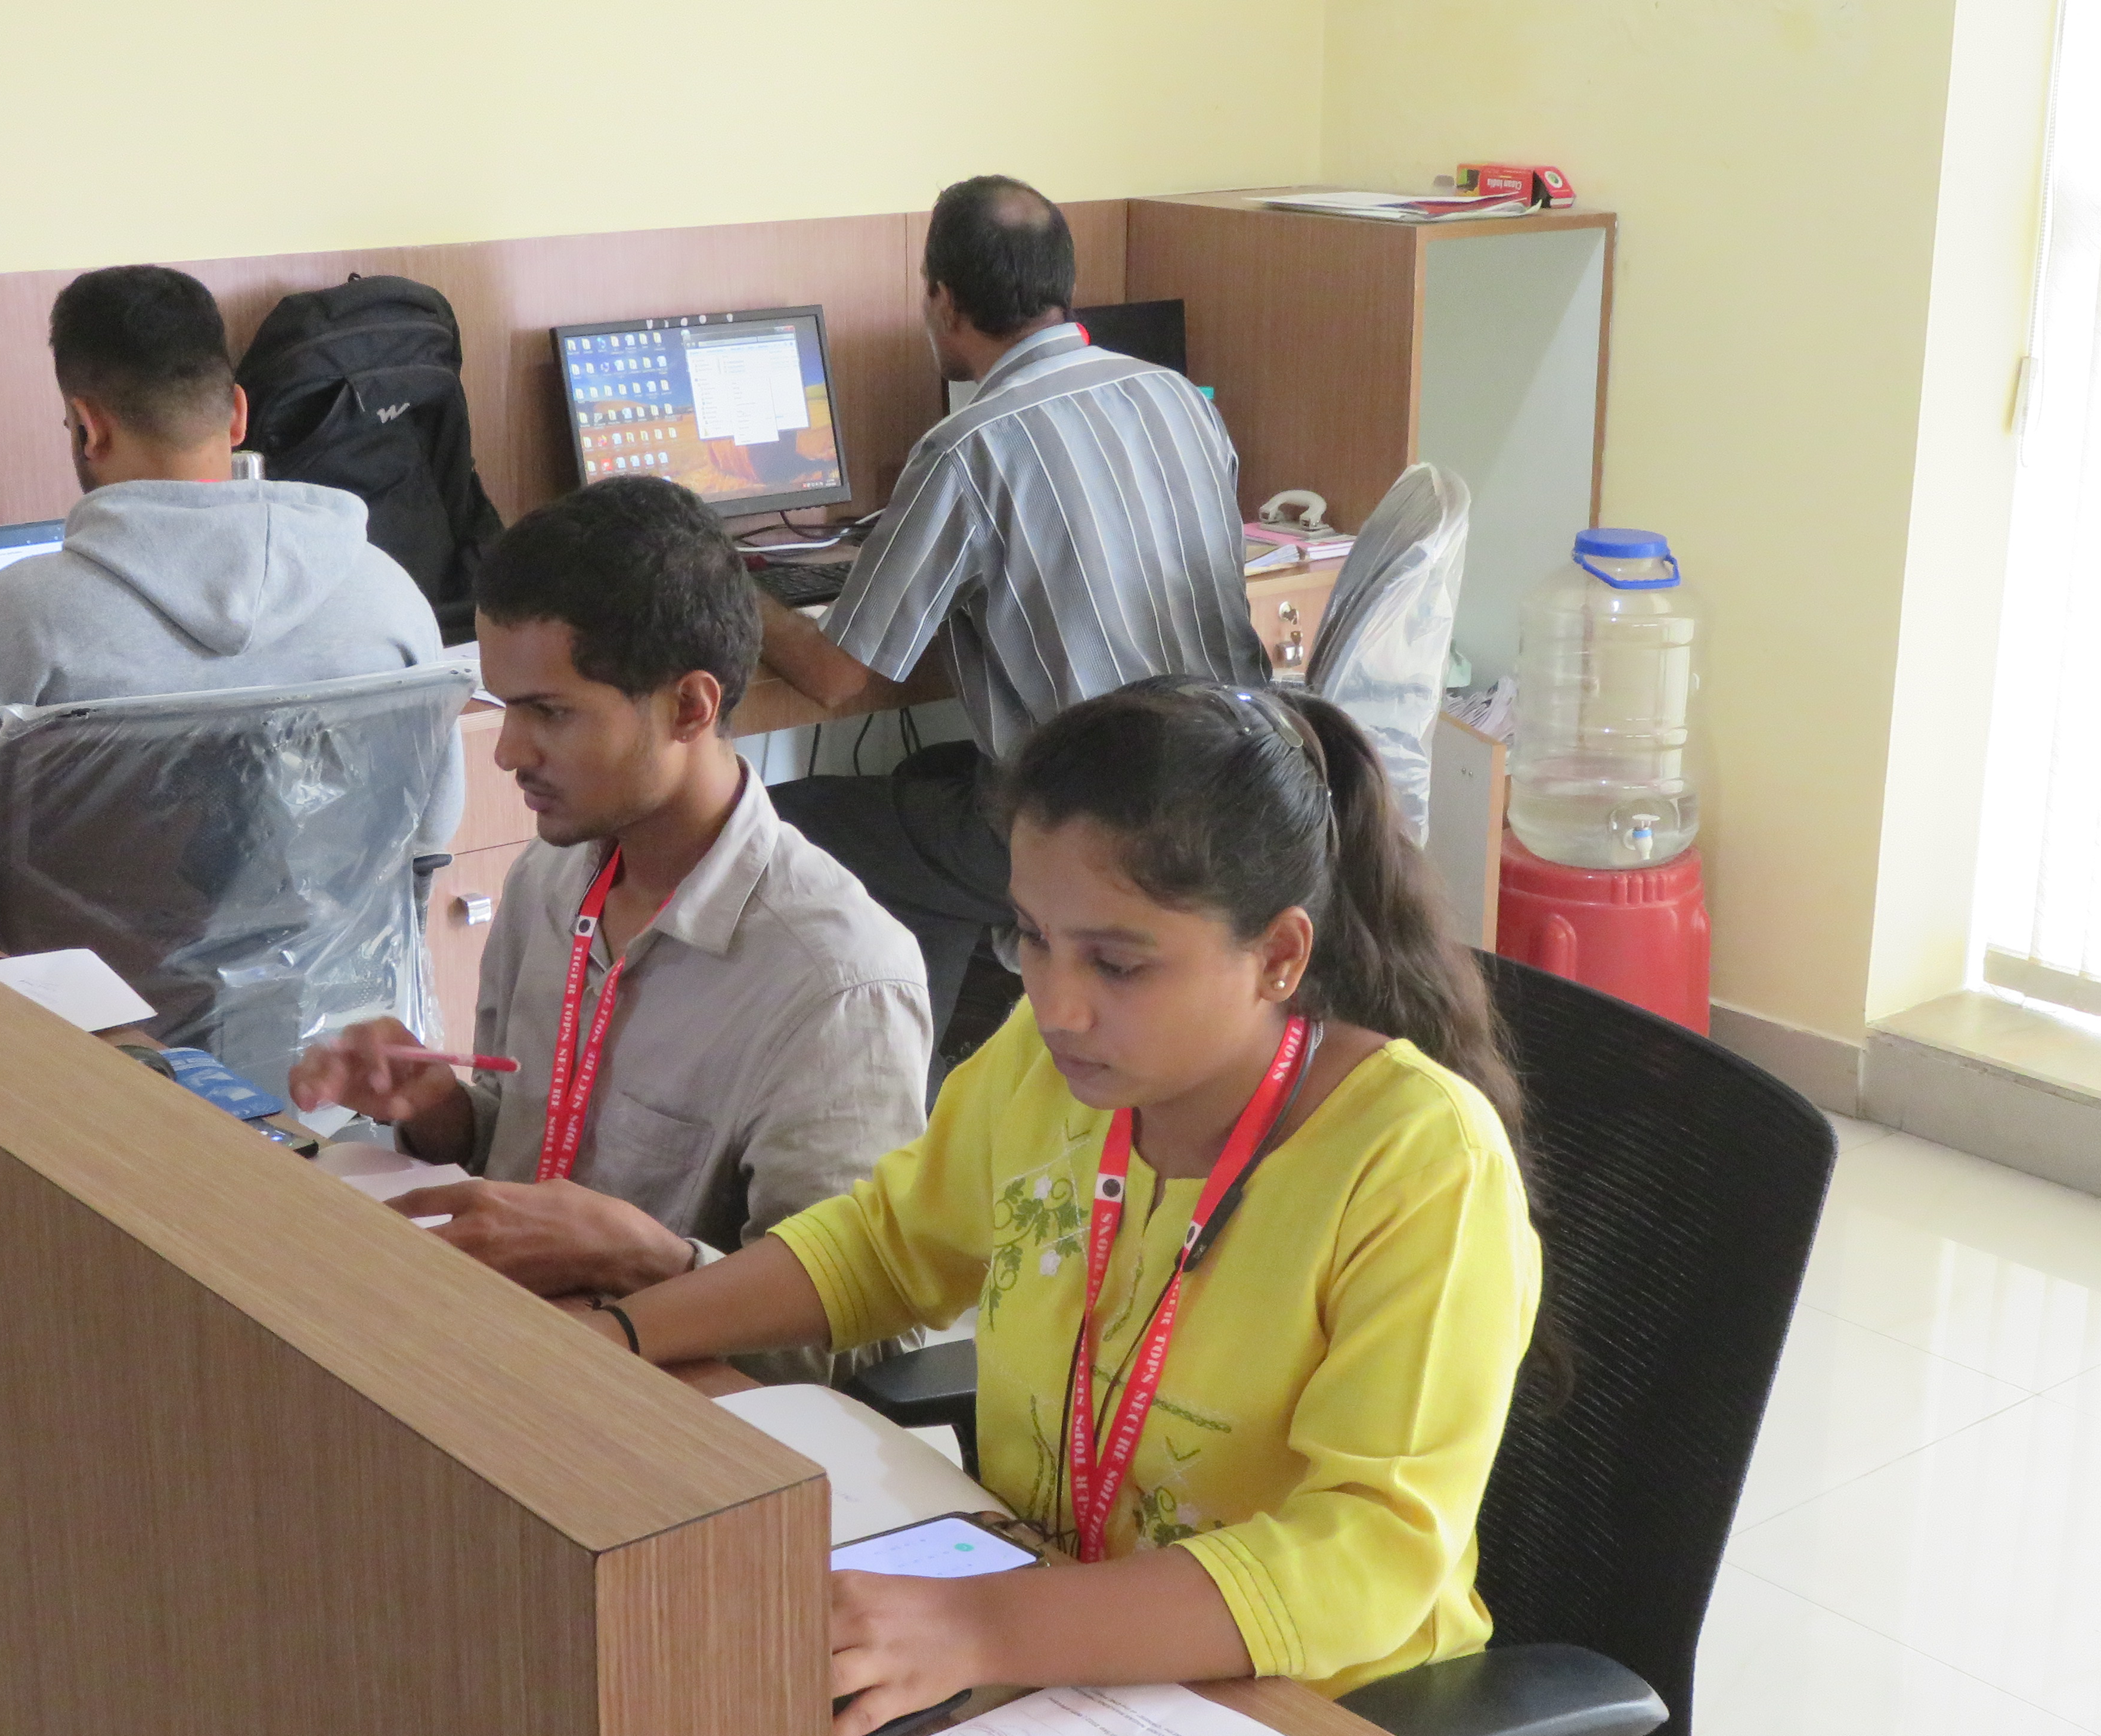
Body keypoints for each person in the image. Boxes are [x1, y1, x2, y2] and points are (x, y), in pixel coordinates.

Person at [575, 675, 1547, 1730]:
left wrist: (981, 1627)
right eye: (1032, 937)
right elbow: (887, 1247)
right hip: (1047, 1631)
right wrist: (618, 1337)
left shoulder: (1415, 1159)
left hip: (1293, 1695)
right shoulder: (1053, 1069)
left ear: (1277, 956)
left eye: (1117, 964)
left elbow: (1366, 1553)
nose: (1055, 1003)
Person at [288, 477, 935, 1378]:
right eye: (505, 706)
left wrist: (653, 1265)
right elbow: (521, 1149)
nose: (508, 752)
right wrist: (441, 1114)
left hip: (664, 1400)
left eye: (550, 712)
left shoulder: (837, 979)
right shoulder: (553, 877)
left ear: (690, 708)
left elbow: (862, 1334)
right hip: (504, 1345)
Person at [758, 175, 1268, 1040]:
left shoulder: (968, 446)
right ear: (1063, 284)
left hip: (1096, 825)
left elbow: (836, 676)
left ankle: (897, 1083)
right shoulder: (1178, 396)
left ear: (944, 301)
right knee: (925, 785)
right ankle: (956, 1067)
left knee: (782, 815)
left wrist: (733, 586)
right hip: (1230, 783)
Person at [0, 264, 460, 888]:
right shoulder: (388, 594)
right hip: (347, 957)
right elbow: (431, 831)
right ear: (238, 415)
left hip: (80, 958)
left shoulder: (21, 619)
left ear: (88, 427)